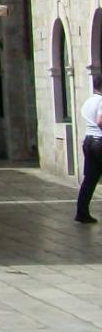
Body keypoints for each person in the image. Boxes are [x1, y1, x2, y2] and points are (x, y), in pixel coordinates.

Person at [76, 77, 102, 224]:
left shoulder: (88, 101)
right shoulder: (101, 101)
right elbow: (100, 121)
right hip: (99, 141)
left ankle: (82, 212)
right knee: (91, 178)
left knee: (90, 179)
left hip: (89, 141)